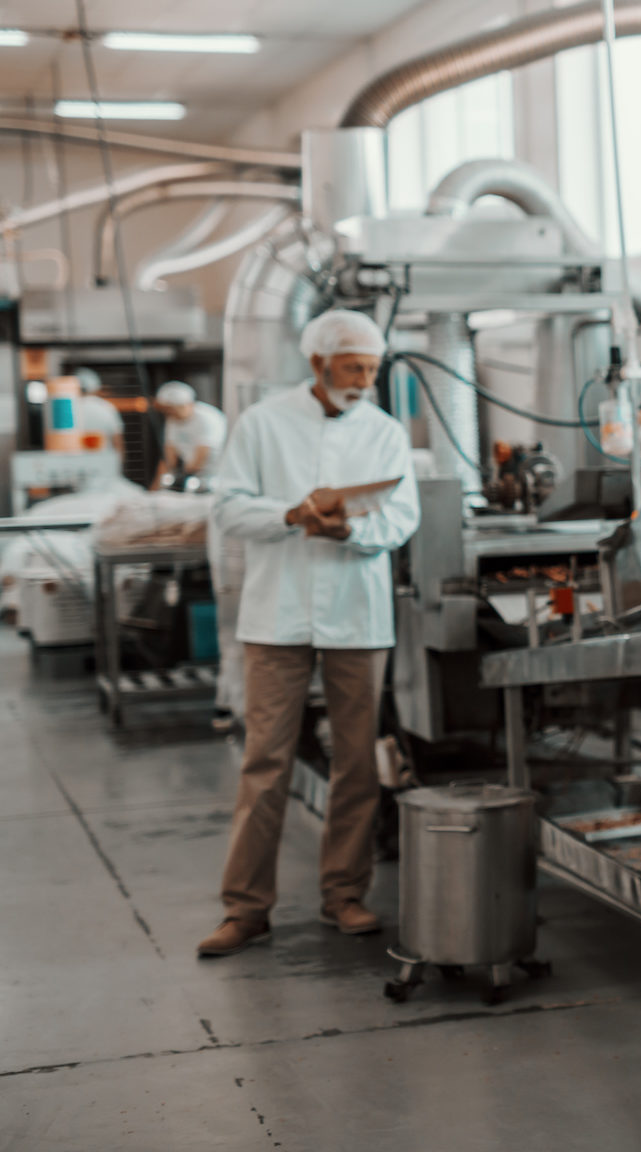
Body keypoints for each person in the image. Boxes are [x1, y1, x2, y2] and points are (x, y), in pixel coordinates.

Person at [197, 309, 419, 958]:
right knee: (265, 759)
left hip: (356, 611)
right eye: (353, 368)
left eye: (372, 370)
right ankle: (245, 909)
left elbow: (401, 515)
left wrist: (350, 529)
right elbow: (229, 507)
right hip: (277, 614)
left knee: (356, 761)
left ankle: (344, 894)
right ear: (318, 364)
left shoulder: (383, 431)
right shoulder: (264, 424)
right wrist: (292, 515)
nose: (363, 381)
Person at [150, 381, 228, 491]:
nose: (169, 414)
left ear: (187, 404)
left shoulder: (208, 418)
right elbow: (169, 458)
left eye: (172, 409)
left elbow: (200, 458)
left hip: (216, 478)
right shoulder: (172, 421)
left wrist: (181, 480)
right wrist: (155, 489)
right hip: (192, 478)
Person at [73, 367, 125, 456]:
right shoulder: (107, 408)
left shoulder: (68, 409)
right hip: (104, 465)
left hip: (76, 466)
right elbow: (118, 444)